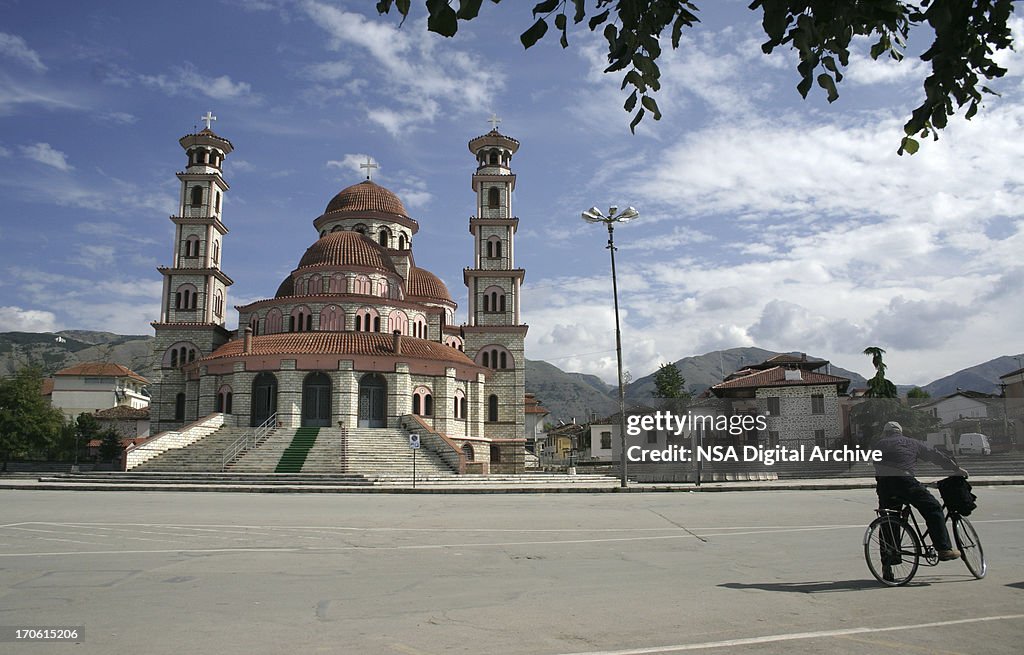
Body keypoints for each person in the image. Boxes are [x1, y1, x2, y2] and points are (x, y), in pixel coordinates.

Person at [873, 421, 968, 561]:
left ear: (885, 433)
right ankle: (943, 549)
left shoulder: (879, 444)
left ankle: (889, 561)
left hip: (884, 485)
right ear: (900, 432)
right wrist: (956, 468)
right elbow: (935, 455)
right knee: (933, 508)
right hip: (905, 482)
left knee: (888, 520)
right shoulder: (912, 442)